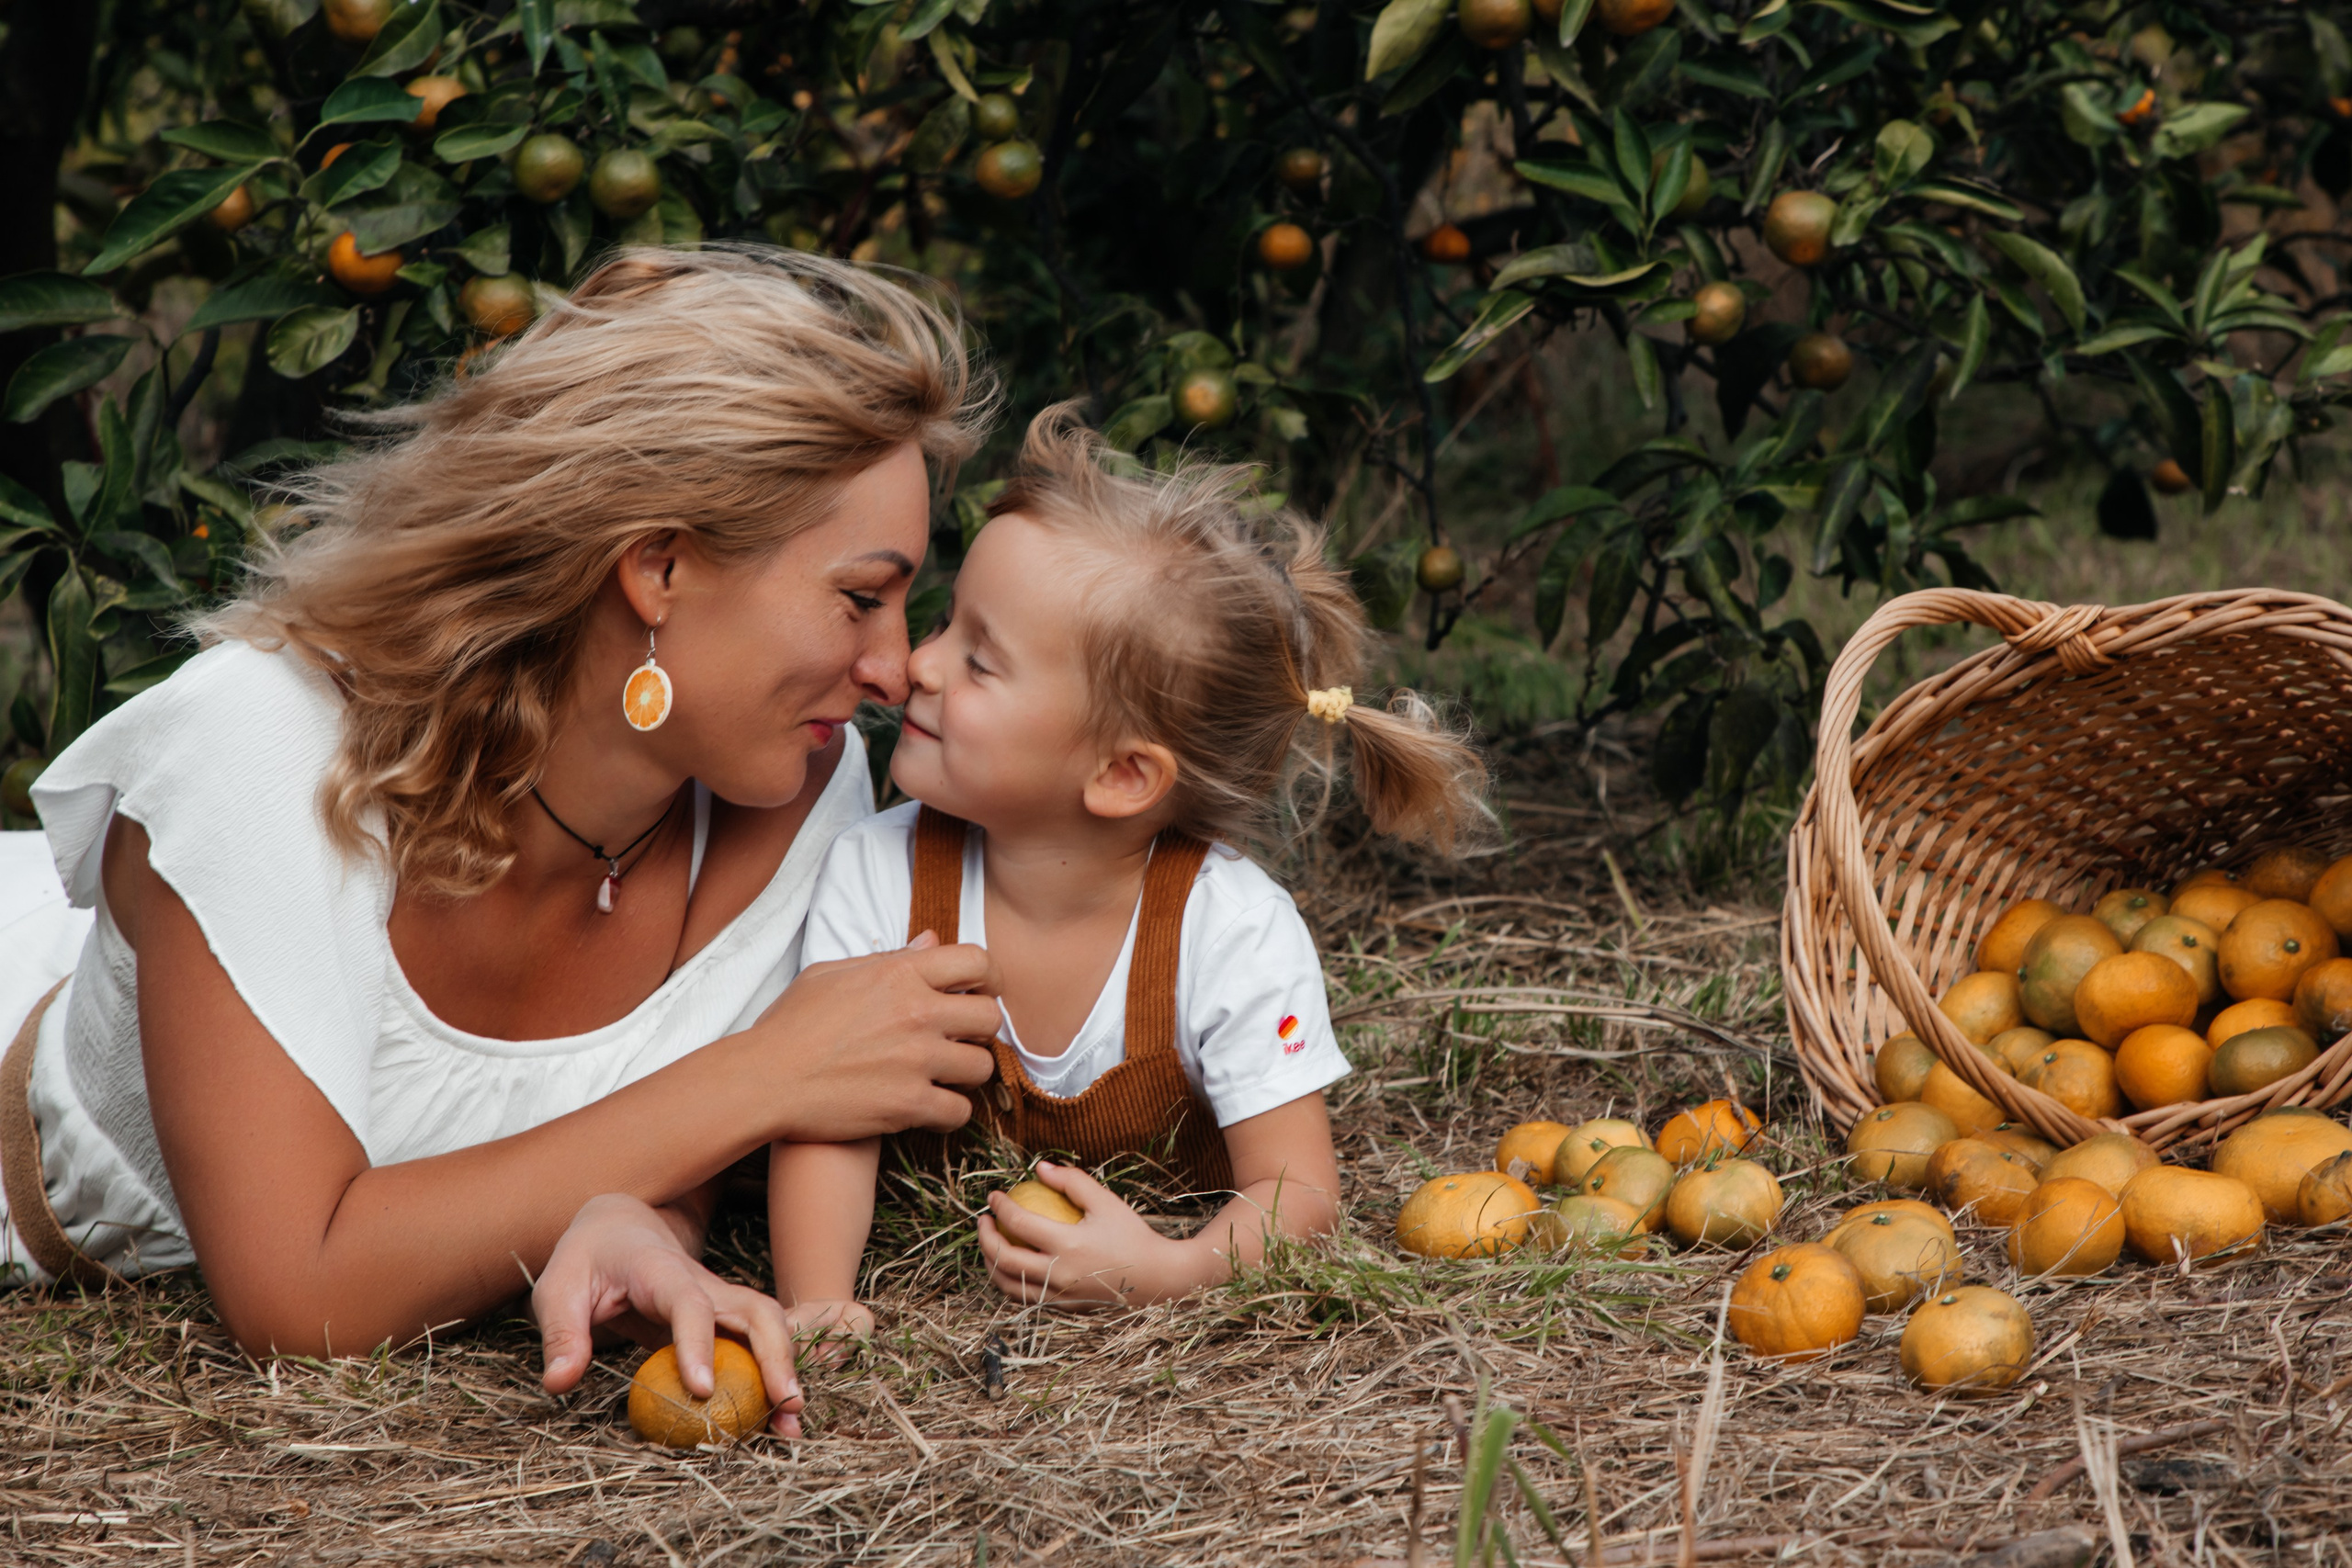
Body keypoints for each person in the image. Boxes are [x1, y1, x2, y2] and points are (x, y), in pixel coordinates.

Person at [0, 247, 1004, 1438]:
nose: (895, 668)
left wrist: (635, 1224)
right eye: (859, 598)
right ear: (662, 567)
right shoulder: (265, 746)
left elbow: (651, 1134)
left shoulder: (802, 785)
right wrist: (775, 1068)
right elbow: (298, 1289)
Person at [765, 406, 1488, 1325]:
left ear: (1120, 774)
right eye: (945, 625)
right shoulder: (877, 870)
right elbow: (826, 1118)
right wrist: (817, 1299)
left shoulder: (1228, 928)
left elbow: (1297, 1194)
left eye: (980, 662)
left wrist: (1167, 1269)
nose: (922, 664)